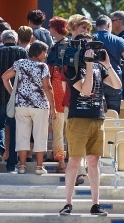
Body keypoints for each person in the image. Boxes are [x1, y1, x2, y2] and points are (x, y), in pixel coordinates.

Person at [60, 40, 121, 216]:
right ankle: (68, 203)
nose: (93, 53)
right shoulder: (72, 67)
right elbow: (86, 90)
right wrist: (87, 65)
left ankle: (95, 204)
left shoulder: (99, 67)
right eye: (89, 49)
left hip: (97, 118)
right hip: (78, 119)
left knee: (93, 161)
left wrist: (108, 65)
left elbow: (117, 86)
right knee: (74, 161)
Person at [2, 41, 54, 174]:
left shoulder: (19, 63)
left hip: (21, 105)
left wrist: (13, 92)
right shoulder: (43, 67)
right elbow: (47, 88)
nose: (46, 54)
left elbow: (4, 77)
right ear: (38, 52)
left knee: (22, 135)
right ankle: (39, 167)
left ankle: (22, 166)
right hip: (39, 105)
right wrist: (53, 107)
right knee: (40, 135)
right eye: (44, 52)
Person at [0, 29, 27, 170]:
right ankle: (11, 164)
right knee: (15, 129)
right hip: (16, 96)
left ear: (2, 40)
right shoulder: (22, 53)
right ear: (15, 40)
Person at [93, 15, 124, 114]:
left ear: (96, 27)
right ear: (109, 25)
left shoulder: (90, 39)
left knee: (96, 115)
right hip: (114, 80)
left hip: (96, 81)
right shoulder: (118, 40)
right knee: (113, 115)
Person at [48, 16, 69, 172]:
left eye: (50, 26)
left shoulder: (55, 48)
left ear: (55, 28)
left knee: (58, 130)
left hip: (57, 91)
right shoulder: (71, 45)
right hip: (72, 92)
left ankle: (61, 164)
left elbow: (50, 72)